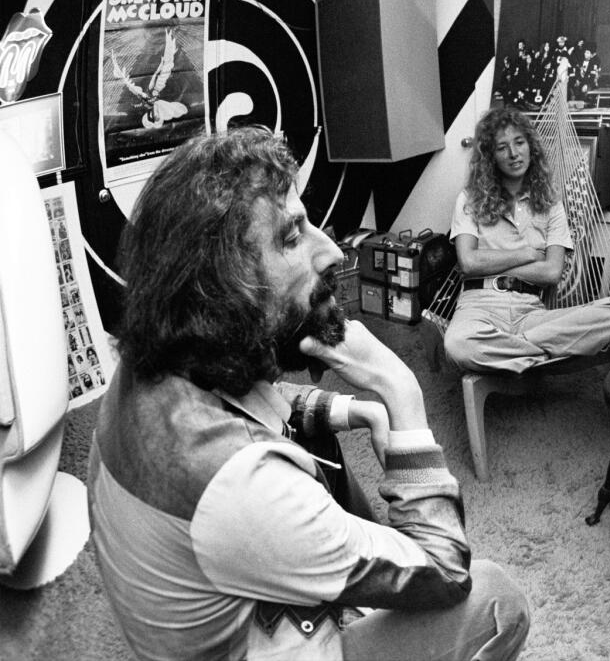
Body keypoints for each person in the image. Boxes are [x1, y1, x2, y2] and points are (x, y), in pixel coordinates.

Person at [88, 127, 529, 661]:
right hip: (270, 638)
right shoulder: (246, 485)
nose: (331, 254)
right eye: (292, 237)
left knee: (323, 439)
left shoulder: (152, 362)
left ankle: (356, 581)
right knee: (496, 597)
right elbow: (445, 570)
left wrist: (353, 408)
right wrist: (400, 391)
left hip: (227, 598)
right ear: (225, 287)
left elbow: (255, 402)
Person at [443, 106, 610, 375]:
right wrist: (528, 254)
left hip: (530, 313)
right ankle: (545, 354)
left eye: (519, 142)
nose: (513, 153)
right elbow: (468, 262)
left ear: (530, 147)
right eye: (502, 147)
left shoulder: (551, 203)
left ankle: (517, 352)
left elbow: (552, 272)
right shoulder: (470, 199)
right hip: (480, 307)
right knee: (458, 344)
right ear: (490, 157)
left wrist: (492, 261)